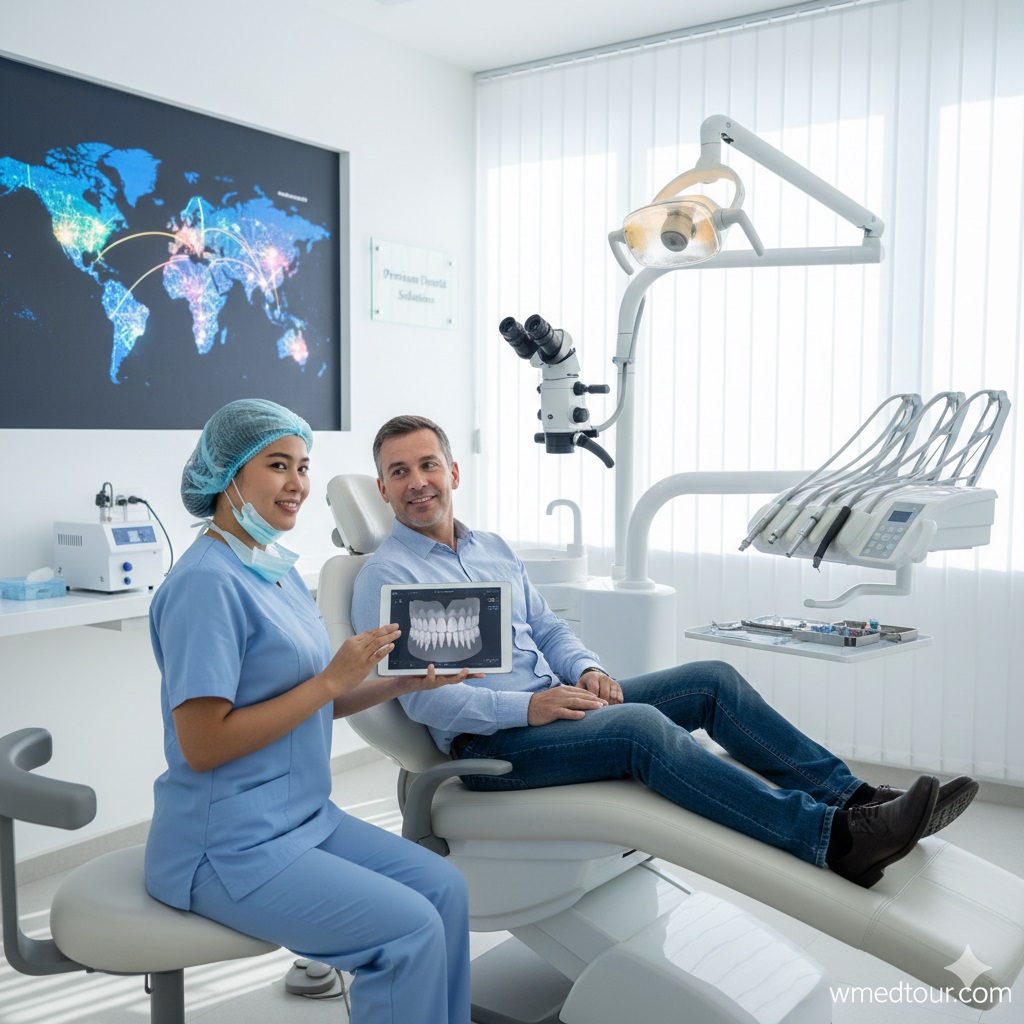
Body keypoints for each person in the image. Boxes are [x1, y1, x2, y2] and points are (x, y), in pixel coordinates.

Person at [351, 415, 979, 890]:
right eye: (400, 472)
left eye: (428, 465)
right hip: (492, 743)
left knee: (712, 679)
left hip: (556, 706)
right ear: (383, 488)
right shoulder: (389, 579)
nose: (418, 483)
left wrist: (588, 669)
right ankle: (832, 839)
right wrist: (529, 708)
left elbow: (547, 628)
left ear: (453, 473)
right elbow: (430, 702)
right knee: (640, 730)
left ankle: (855, 800)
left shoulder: (490, 547)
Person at [145, 399, 474, 1024]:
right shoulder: (205, 585)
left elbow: (309, 699)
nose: (297, 484)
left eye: (303, 466)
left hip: (303, 818)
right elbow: (204, 745)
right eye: (277, 465)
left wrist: (396, 682)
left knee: (445, 889)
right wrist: (330, 681)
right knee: (406, 934)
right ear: (229, 476)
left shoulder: (271, 566)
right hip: (229, 845)